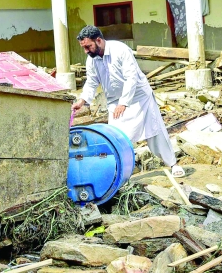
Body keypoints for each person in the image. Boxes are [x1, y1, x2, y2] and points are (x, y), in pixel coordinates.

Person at [71, 25, 185, 178]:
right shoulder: (91, 60)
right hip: (114, 102)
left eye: (88, 46)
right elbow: (91, 82)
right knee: (115, 137)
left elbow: (131, 78)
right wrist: (82, 100)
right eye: (84, 48)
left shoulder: (120, 50)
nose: (86, 51)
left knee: (155, 131)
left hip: (139, 98)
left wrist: (124, 103)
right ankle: (119, 173)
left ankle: (173, 164)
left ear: (98, 40)